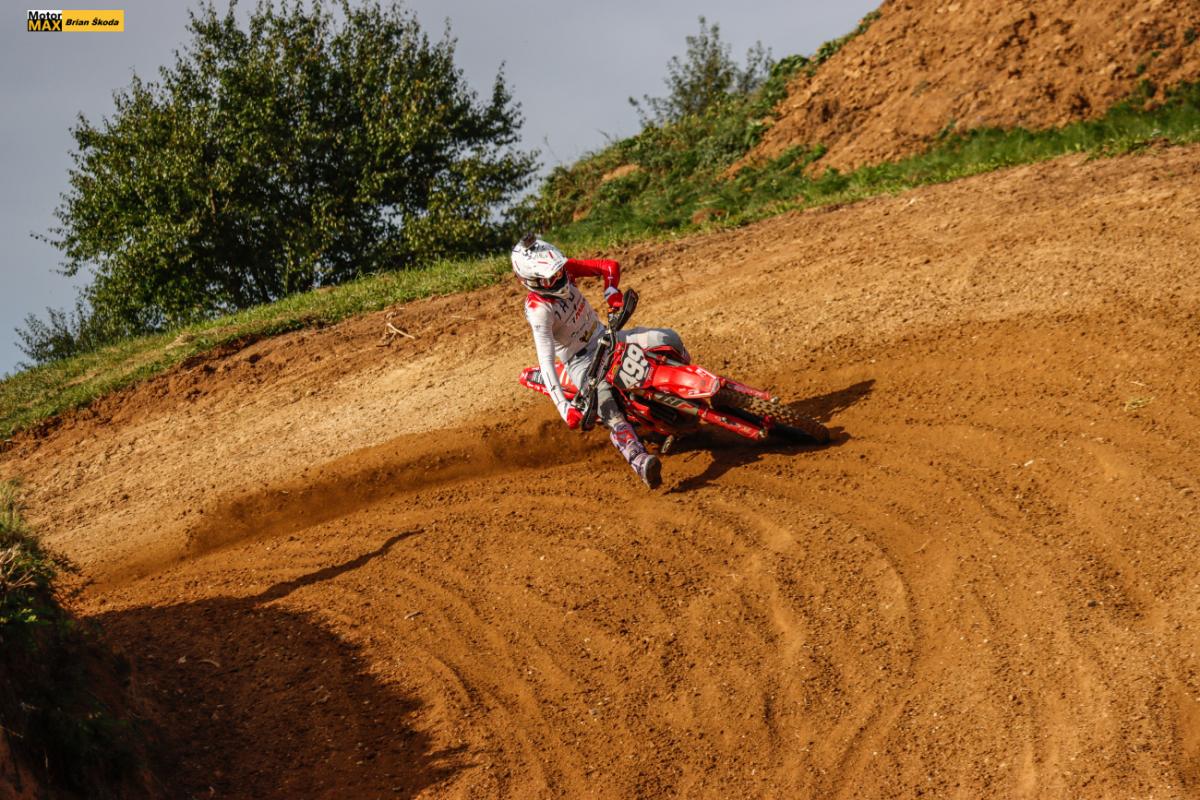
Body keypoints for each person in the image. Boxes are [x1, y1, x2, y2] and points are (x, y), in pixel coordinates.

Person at [512, 235, 688, 489]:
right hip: (581, 362)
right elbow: (546, 360)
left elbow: (608, 266)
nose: (559, 278)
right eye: (551, 278)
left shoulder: (565, 271)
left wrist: (611, 291)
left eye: (558, 271)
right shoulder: (539, 310)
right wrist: (563, 408)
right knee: (608, 408)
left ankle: (684, 396)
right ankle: (639, 460)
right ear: (532, 281)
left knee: (669, 339)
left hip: (608, 337)